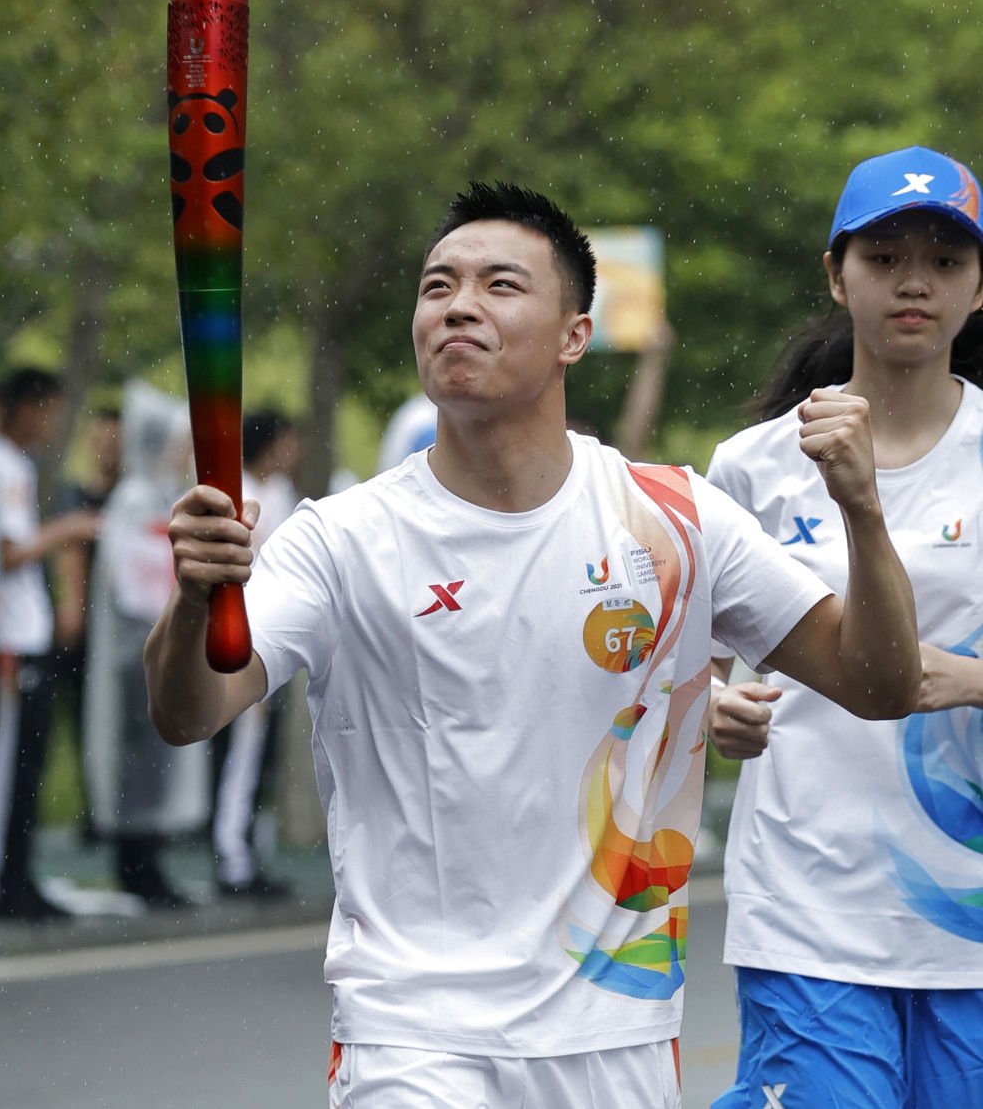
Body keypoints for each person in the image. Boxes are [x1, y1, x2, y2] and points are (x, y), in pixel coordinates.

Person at [145, 181, 920, 1108]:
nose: (459, 304)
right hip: (412, 1032)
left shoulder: (676, 522)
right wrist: (195, 602)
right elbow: (190, 711)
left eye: (500, 284)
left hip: (614, 1026)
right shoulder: (341, 538)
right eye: (438, 286)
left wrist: (864, 514)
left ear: (574, 336)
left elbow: (878, 684)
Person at [707, 145, 983, 1108]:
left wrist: (972, 677)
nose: (915, 282)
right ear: (836, 275)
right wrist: (707, 704)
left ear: (980, 288)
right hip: (809, 906)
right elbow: (665, 654)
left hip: (972, 917)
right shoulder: (754, 467)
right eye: (884, 257)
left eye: (947, 261)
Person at [0, 367, 100, 920]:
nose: (52, 423)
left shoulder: (9, 464)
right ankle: (4, 880)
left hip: (16, 634)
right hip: (9, 638)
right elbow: (10, 553)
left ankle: (13, 875)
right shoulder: (3, 463)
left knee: (20, 764)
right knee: (9, 767)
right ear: (26, 408)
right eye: (49, 410)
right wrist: (69, 528)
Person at [85, 381, 207, 907]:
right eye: (176, 441)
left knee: (158, 759)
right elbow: (130, 581)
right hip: (134, 650)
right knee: (138, 758)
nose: (183, 452)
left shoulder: (161, 495)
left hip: (157, 642)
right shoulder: (135, 499)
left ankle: (149, 857)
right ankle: (135, 863)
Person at [210, 409, 297, 898]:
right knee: (238, 752)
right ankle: (231, 856)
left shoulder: (283, 492)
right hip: (242, 640)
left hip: (276, 640)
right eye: (288, 440)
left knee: (259, 756)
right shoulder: (235, 490)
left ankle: (247, 847)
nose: (295, 450)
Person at [52, 405, 121, 839]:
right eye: (101, 440)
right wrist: (73, 608)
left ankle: (116, 807)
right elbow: (69, 553)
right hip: (90, 630)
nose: (107, 449)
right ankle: (96, 808)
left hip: (124, 630)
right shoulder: (76, 496)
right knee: (83, 718)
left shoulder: (134, 495)